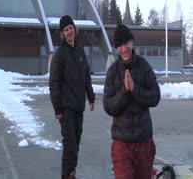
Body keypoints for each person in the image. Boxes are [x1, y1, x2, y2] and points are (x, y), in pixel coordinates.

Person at [103, 24, 161, 179]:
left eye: (126, 43)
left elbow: (155, 96)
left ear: (132, 42)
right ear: (116, 48)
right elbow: (108, 107)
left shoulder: (144, 66)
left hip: (144, 140)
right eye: (120, 45)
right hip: (121, 143)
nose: (124, 48)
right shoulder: (113, 72)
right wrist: (125, 90)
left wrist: (135, 89)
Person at [49, 15, 95, 179]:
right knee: (70, 146)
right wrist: (57, 108)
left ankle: (70, 173)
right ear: (62, 33)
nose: (69, 32)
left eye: (71, 28)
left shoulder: (80, 50)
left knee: (75, 145)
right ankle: (67, 175)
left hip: (78, 107)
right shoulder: (60, 54)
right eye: (66, 30)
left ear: (75, 29)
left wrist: (91, 97)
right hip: (66, 109)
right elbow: (54, 82)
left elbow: (86, 75)